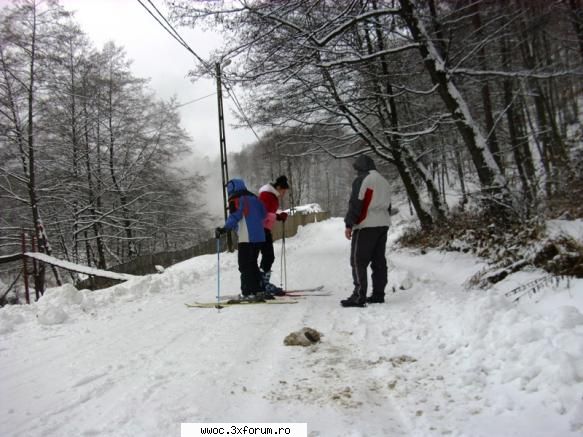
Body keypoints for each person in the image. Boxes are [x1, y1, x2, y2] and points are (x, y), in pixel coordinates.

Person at [341, 155, 392, 307]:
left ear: (360, 167)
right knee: (379, 261)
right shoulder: (384, 181)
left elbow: (356, 203)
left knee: (358, 261)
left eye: (357, 169)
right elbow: (389, 205)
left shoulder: (363, 179)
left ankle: (358, 296)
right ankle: (378, 294)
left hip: (365, 225)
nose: (356, 173)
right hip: (383, 224)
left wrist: (349, 224)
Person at [216, 178, 267, 299]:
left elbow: (234, 216)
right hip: (259, 237)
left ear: (231, 189)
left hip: (246, 237)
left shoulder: (237, 199)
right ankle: (259, 290)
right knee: (253, 263)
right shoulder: (255, 198)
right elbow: (264, 214)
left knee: (244, 265)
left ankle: (248, 292)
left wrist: (223, 229)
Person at [258, 175, 289, 295]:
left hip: (265, 228)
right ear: (279, 187)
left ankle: (263, 283)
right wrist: (278, 216)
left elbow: (269, 211)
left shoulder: (271, 194)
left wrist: (278, 215)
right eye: (284, 191)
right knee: (268, 256)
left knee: (268, 256)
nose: (284, 193)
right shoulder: (266, 195)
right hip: (261, 229)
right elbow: (263, 213)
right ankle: (263, 284)